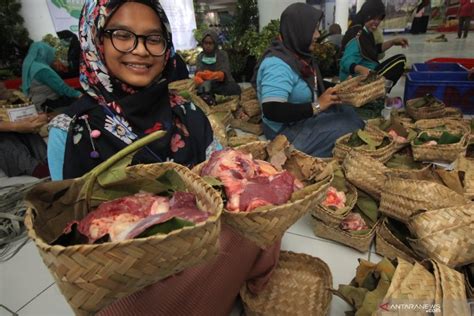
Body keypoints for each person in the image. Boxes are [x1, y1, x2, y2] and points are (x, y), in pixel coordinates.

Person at [47, 1, 279, 314]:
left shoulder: (188, 112)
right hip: (128, 277)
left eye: (153, 39)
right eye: (123, 35)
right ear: (95, 41)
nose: (141, 50)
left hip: (199, 246)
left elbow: (225, 186)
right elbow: (73, 242)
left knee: (258, 217)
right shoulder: (73, 130)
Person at [253, 3, 364, 158]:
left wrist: (343, 87)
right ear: (298, 29)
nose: (318, 35)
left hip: (300, 119)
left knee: (348, 111)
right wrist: (317, 106)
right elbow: (272, 110)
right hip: (284, 134)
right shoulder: (277, 64)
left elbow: (314, 86)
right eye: (314, 29)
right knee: (351, 126)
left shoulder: (298, 56)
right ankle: (294, 154)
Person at [340, 0, 408, 87]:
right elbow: (345, 62)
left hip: (369, 72)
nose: (377, 22)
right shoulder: (357, 34)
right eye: (373, 18)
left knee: (398, 61)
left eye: (379, 18)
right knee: (400, 60)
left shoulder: (366, 32)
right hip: (358, 79)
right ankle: (378, 92)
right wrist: (363, 70)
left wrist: (393, 42)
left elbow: (375, 50)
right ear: (366, 15)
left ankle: (379, 93)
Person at [0, 85, 49, 178]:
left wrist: (38, 118)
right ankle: (36, 169)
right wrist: (15, 126)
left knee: (29, 128)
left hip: (20, 129)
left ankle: (49, 161)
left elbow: (40, 114)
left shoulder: (12, 95)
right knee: (5, 137)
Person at [21, 42, 81, 111]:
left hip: (37, 102)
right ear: (45, 53)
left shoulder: (30, 65)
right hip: (48, 104)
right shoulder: (42, 69)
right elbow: (61, 87)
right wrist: (79, 95)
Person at [195, 29, 241, 96]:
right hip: (206, 86)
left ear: (215, 43)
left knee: (233, 88)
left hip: (223, 84)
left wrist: (209, 75)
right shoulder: (200, 56)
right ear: (202, 44)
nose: (208, 46)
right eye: (206, 43)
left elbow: (223, 74)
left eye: (210, 43)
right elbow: (198, 74)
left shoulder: (222, 55)